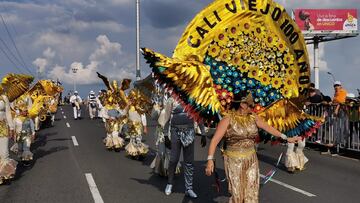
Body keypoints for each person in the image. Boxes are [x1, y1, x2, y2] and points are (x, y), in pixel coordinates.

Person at [205, 94, 299, 203]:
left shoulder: (253, 117)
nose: (253, 107)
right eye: (250, 105)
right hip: (234, 161)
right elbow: (215, 140)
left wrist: (286, 138)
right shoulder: (227, 119)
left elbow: (268, 127)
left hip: (251, 159)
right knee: (237, 193)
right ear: (242, 104)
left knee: (251, 191)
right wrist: (210, 159)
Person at [163, 97, 206, 199]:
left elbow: (198, 117)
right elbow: (166, 118)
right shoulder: (171, 100)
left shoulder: (193, 99)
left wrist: (203, 133)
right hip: (175, 132)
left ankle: (189, 188)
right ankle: (169, 183)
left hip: (189, 132)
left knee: (189, 162)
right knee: (173, 160)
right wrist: (165, 135)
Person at [0, 93, 17, 185]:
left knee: (4, 153)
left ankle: (5, 174)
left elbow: (8, 113)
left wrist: (11, 128)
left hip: (3, 128)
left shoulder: (4, 97)